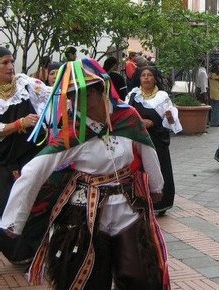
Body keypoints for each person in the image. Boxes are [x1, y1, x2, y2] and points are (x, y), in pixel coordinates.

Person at [0, 58, 170, 289]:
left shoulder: (127, 117)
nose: (76, 103)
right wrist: (14, 222)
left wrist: (156, 187)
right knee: (86, 277)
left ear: (101, 90)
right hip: (84, 213)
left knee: (138, 274)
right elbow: (34, 171)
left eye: (83, 95)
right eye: (71, 97)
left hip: (127, 208)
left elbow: (147, 149)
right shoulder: (72, 131)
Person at [0, 47, 59, 265]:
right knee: (6, 205)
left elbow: (52, 95)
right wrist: (18, 124)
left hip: (31, 156)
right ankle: (18, 252)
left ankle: (35, 248)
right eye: (4, 63)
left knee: (38, 201)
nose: (10, 67)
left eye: (11, 62)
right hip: (4, 161)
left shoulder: (25, 83)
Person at [126, 65, 182, 215]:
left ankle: (161, 203)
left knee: (159, 169)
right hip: (138, 139)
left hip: (157, 140)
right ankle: (140, 201)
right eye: (143, 75)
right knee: (139, 169)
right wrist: (139, 123)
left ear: (155, 78)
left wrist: (167, 118)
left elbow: (171, 121)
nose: (146, 78)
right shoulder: (133, 95)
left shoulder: (162, 97)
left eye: (149, 75)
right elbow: (125, 116)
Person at [209, 59, 219, 127]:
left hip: (212, 92)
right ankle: (216, 122)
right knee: (218, 108)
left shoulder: (210, 74)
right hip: (218, 92)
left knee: (213, 108)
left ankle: (212, 121)